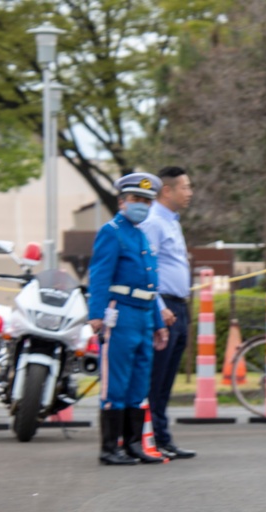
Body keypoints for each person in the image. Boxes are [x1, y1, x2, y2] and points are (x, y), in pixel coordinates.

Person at [88, 172, 169, 465]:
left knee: (138, 383)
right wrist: (96, 315)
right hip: (120, 315)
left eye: (147, 200)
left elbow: (151, 286)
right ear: (122, 201)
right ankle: (110, 448)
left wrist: (158, 324)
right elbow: (99, 275)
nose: (142, 205)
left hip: (144, 316)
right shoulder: (112, 232)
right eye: (136, 199)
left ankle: (133, 444)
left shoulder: (141, 236)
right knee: (116, 383)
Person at [139, 166, 198, 460]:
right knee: (156, 379)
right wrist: (159, 308)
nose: (190, 193)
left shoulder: (172, 222)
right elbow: (147, 270)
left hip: (179, 307)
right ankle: (151, 438)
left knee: (166, 381)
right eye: (185, 187)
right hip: (164, 309)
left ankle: (162, 438)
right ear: (167, 190)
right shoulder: (154, 222)